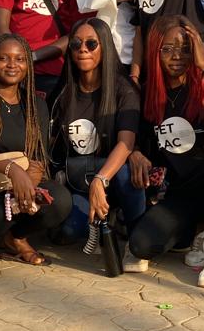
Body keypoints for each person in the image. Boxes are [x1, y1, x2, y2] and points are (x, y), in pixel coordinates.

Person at [125, 16, 204, 286]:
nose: (177, 56)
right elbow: (132, 136)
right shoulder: (146, 94)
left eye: (185, 48)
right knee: (142, 245)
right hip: (180, 193)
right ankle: (202, 229)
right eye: (168, 49)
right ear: (155, 51)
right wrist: (135, 152)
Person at [0, 34, 73, 271]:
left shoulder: (36, 104)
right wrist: (13, 170)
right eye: (3, 58)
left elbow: (38, 154)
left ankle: (15, 238)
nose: (12, 65)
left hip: (22, 179)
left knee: (59, 201)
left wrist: (31, 180)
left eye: (20, 59)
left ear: (28, 64)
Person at [50, 18, 145, 244]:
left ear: (105, 47)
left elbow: (126, 143)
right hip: (77, 181)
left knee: (127, 173)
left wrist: (100, 180)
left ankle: (134, 235)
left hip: (112, 178)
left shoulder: (124, 89)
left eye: (91, 44)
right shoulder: (63, 92)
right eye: (76, 44)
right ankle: (102, 221)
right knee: (70, 232)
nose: (83, 49)